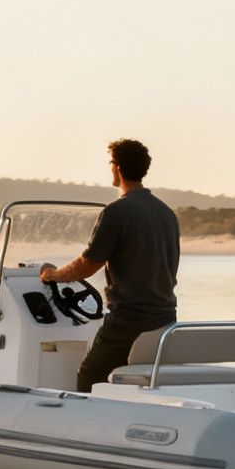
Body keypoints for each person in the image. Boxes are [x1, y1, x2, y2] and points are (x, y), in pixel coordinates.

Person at [39, 138, 180, 392]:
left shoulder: (116, 212)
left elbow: (87, 264)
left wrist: (53, 275)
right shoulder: (166, 213)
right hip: (166, 319)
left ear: (116, 167)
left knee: (89, 377)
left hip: (128, 322)